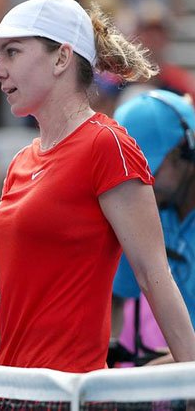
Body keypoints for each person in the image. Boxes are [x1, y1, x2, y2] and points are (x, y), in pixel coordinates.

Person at [0, 0, 195, 372]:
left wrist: (188, 378)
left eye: (12, 52)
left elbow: (153, 275)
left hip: (69, 393)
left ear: (62, 58)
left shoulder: (108, 144)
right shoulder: (22, 160)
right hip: (12, 390)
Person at [110, 90, 195, 366]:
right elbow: (113, 305)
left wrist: (160, 371)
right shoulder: (136, 212)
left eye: (149, 172)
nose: (139, 187)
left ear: (184, 151)